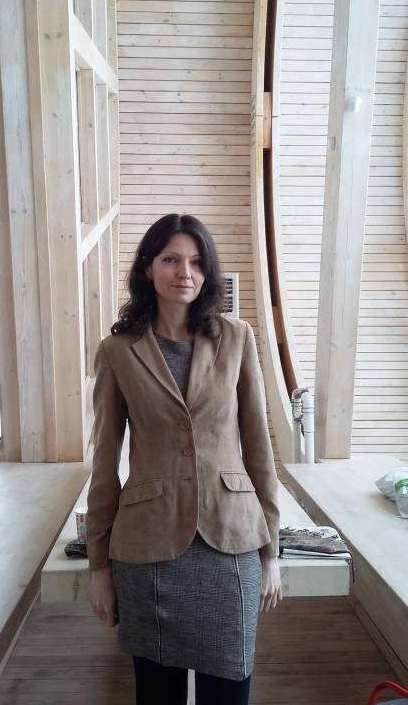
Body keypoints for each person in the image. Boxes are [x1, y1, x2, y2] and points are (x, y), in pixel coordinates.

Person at [86, 213, 282, 705]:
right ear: (148, 268)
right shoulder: (118, 350)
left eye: (196, 262)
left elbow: (258, 448)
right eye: (171, 260)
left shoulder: (237, 338)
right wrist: (98, 566)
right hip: (148, 547)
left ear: (207, 271)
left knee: (229, 691)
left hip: (231, 539)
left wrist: (272, 553)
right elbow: (104, 462)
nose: (185, 273)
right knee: (157, 695)